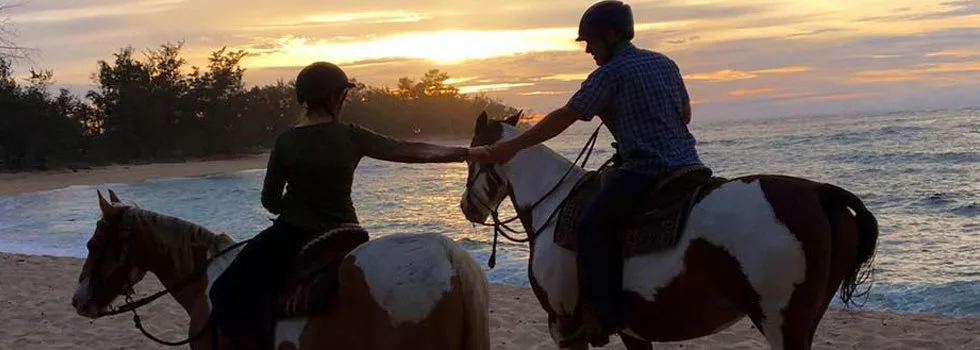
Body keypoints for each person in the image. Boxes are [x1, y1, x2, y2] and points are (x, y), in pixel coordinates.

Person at [469, 0, 703, 346]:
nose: (588, 50)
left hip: (646, 170)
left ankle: (607, 316)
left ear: (612, 36)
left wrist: (512, 147)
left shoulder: (608, 75)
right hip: (691, 166)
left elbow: (565, 117)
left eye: (591, 41)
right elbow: (684, 115)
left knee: (591, 225)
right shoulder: (665, 63)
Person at [209, 61, 482, 349]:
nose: (343, 100)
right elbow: (406, 150)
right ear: (333, 97)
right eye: (342, 95)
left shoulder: (286, 141)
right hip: (348, 232)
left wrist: (294, 203)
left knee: (224, 292)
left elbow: (270, 201)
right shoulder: (350, 134)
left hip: (295, 233)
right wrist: (469, 153)